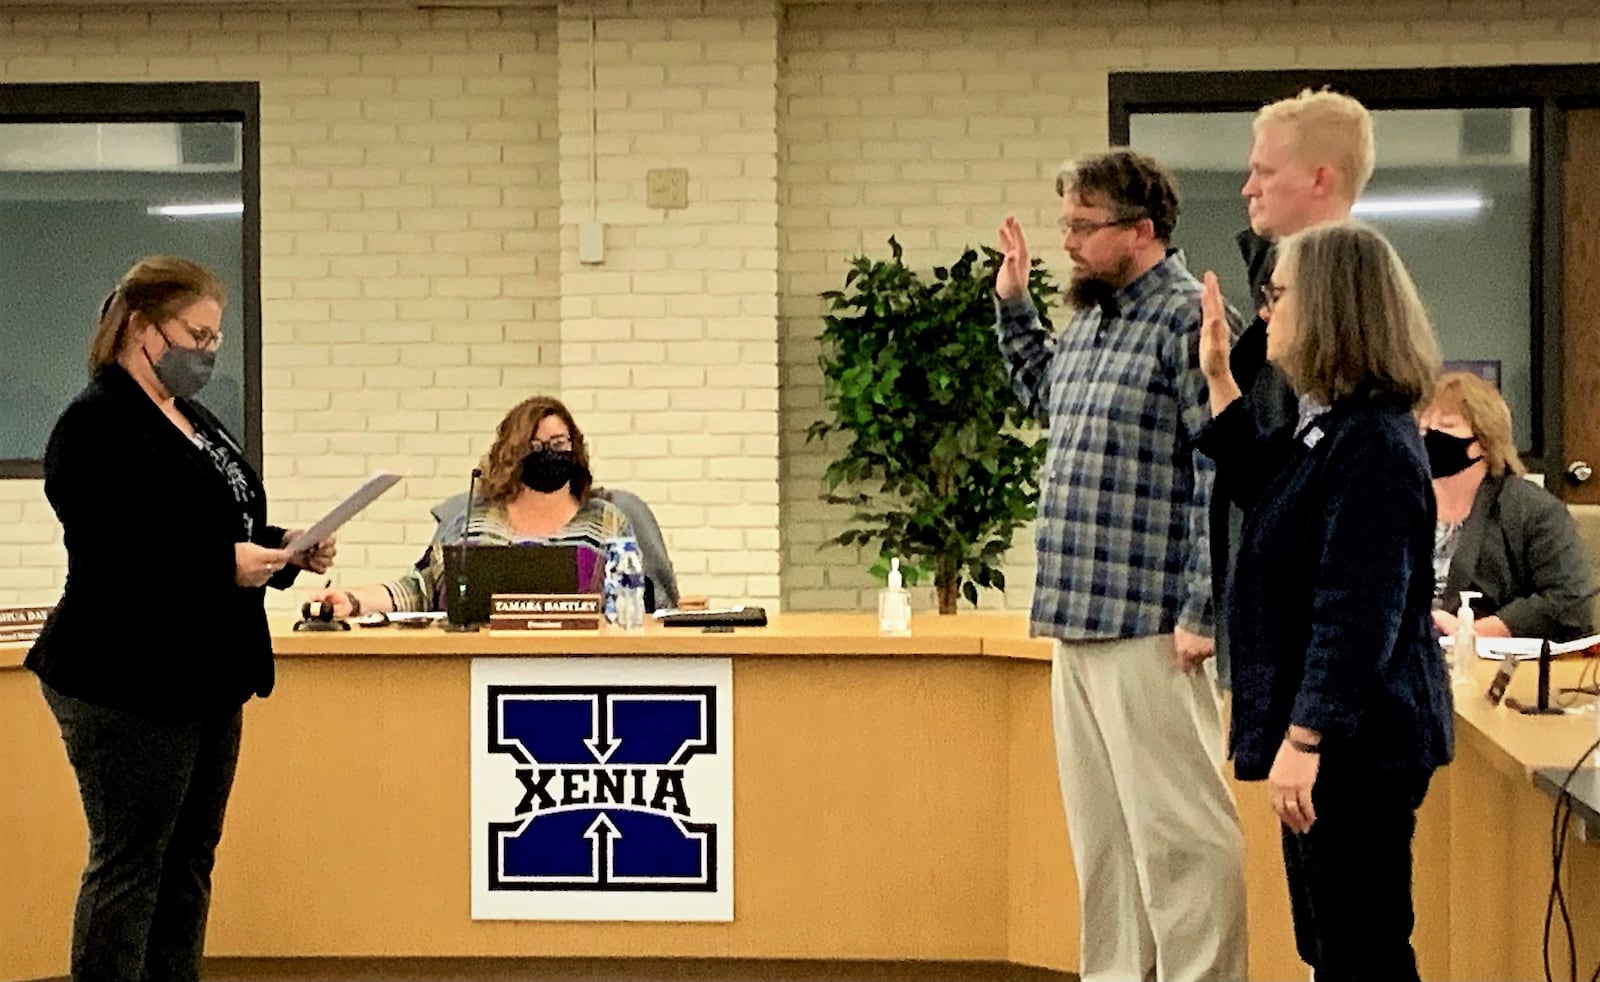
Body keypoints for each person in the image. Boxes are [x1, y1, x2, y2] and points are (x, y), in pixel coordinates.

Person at [25, 255, 335, 982]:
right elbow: (120, 549)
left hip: (205, 673)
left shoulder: (192, 418)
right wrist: (223, 563)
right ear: (141, 327)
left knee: (190, 860)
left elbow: (216, 521)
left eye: (216, 339)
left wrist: (286, 548)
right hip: (124, 676)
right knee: (131, 863)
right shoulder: (95, 425)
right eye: (196, 334)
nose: (207, 352)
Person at [993, 148, 1247, 981]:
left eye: (1082, 225)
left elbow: (1223, 471)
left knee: (1178, 840)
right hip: (1076, 615)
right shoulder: (1094, 318)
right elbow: (1044, 397)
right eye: (1066, 222)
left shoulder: (1188, 320)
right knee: (1102, 842)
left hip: (1152, 624)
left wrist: (1202, 611)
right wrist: (1013, 306)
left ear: (1141, 231)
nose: (1067, 239)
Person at [1196, 221, 1453, 982]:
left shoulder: (1372, 441)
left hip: (1356, 746)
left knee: (1361, 951)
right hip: (1338, 738)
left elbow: (1356, 611)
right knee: (1332, 945)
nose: (1266, 313)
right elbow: (1270, 495)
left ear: (1332, 308)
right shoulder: (1336, 427)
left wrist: (1304, 741)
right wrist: (1219, 377)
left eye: (1277, 296)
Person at [1213, 87, 1375, 688]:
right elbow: (1267, 483)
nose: (1248, 189)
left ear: (1320, 180)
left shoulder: (1358, 318)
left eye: (1264, 171)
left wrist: (1312, 723)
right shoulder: (1271, 301)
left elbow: (1354, 542)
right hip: (1276, 635)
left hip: (1325, 659)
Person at [312, 395, 631, 617]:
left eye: (559, 444)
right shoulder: (473, 523)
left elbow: (638, 602)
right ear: (511, 454)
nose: (548, 453)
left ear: (575, 447)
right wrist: (353, 601)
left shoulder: (606, 521)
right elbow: (420, 587)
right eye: (534, 446)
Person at [1424, 371, 1594, 641]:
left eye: (1445, 424)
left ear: (1483, 439)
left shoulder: (1534, 510)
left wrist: (1469, 633)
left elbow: (1569, 603)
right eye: (1422, 426)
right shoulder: (1396, 504)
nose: (1429, 435)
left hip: (1488, 665)